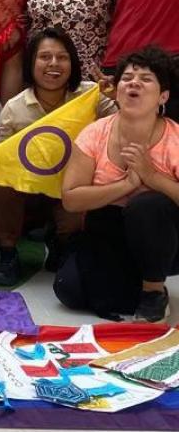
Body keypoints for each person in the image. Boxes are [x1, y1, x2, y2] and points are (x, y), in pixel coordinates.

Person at [58, 47, 179, 322]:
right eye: (127, 77)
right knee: (69, 291)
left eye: (146, 79)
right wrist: (126, 185)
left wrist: (152, 177)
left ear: (163, 96)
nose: (134, 82)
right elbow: (71, 198)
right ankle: (135, 282)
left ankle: (153, 291)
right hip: (109, 228)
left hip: (165, 233)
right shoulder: (94, 132)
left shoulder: (175, 137)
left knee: (148, 205)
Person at [0, 27, 116, 287]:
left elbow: (125, 125)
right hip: (28, 187)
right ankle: (7, 252)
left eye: (62, 57)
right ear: (31, 63)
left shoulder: (92, 95)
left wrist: (119, 97)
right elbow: (3, 159)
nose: (53, 64)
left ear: (73, 62)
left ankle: (63, 243)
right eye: (44, 57)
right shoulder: (14, 107)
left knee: (80, 193)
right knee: (4, 179)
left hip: (71, 186)